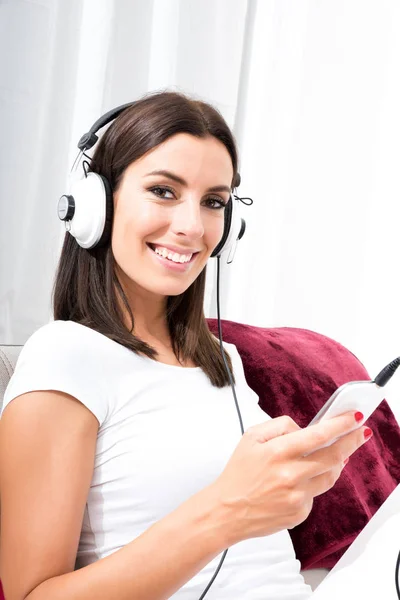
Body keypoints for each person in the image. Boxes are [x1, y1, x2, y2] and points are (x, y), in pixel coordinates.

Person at [0, 90, 373, 600]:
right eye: (163, 191)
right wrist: (226, 511)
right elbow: (31, 596)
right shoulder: (64, 355)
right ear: (94, 203)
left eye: (213, 202)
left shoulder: (224, 361)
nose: (192, 227)